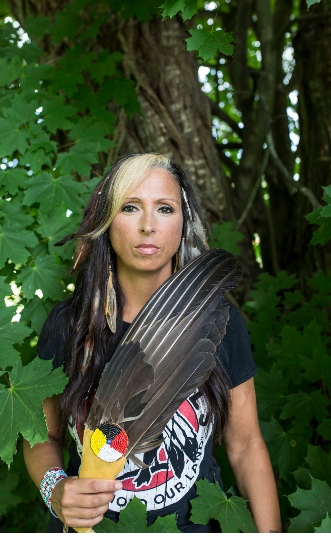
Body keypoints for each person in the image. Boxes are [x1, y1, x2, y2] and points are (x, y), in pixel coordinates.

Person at [23, 153, 282, 533]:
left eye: (164, 208)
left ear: (183, 222)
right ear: (107, 221)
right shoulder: (69, 326)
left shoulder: (219, 322)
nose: (148, 226)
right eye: (130, 208)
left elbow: (244, 447)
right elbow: (41, 433)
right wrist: (55, 488)